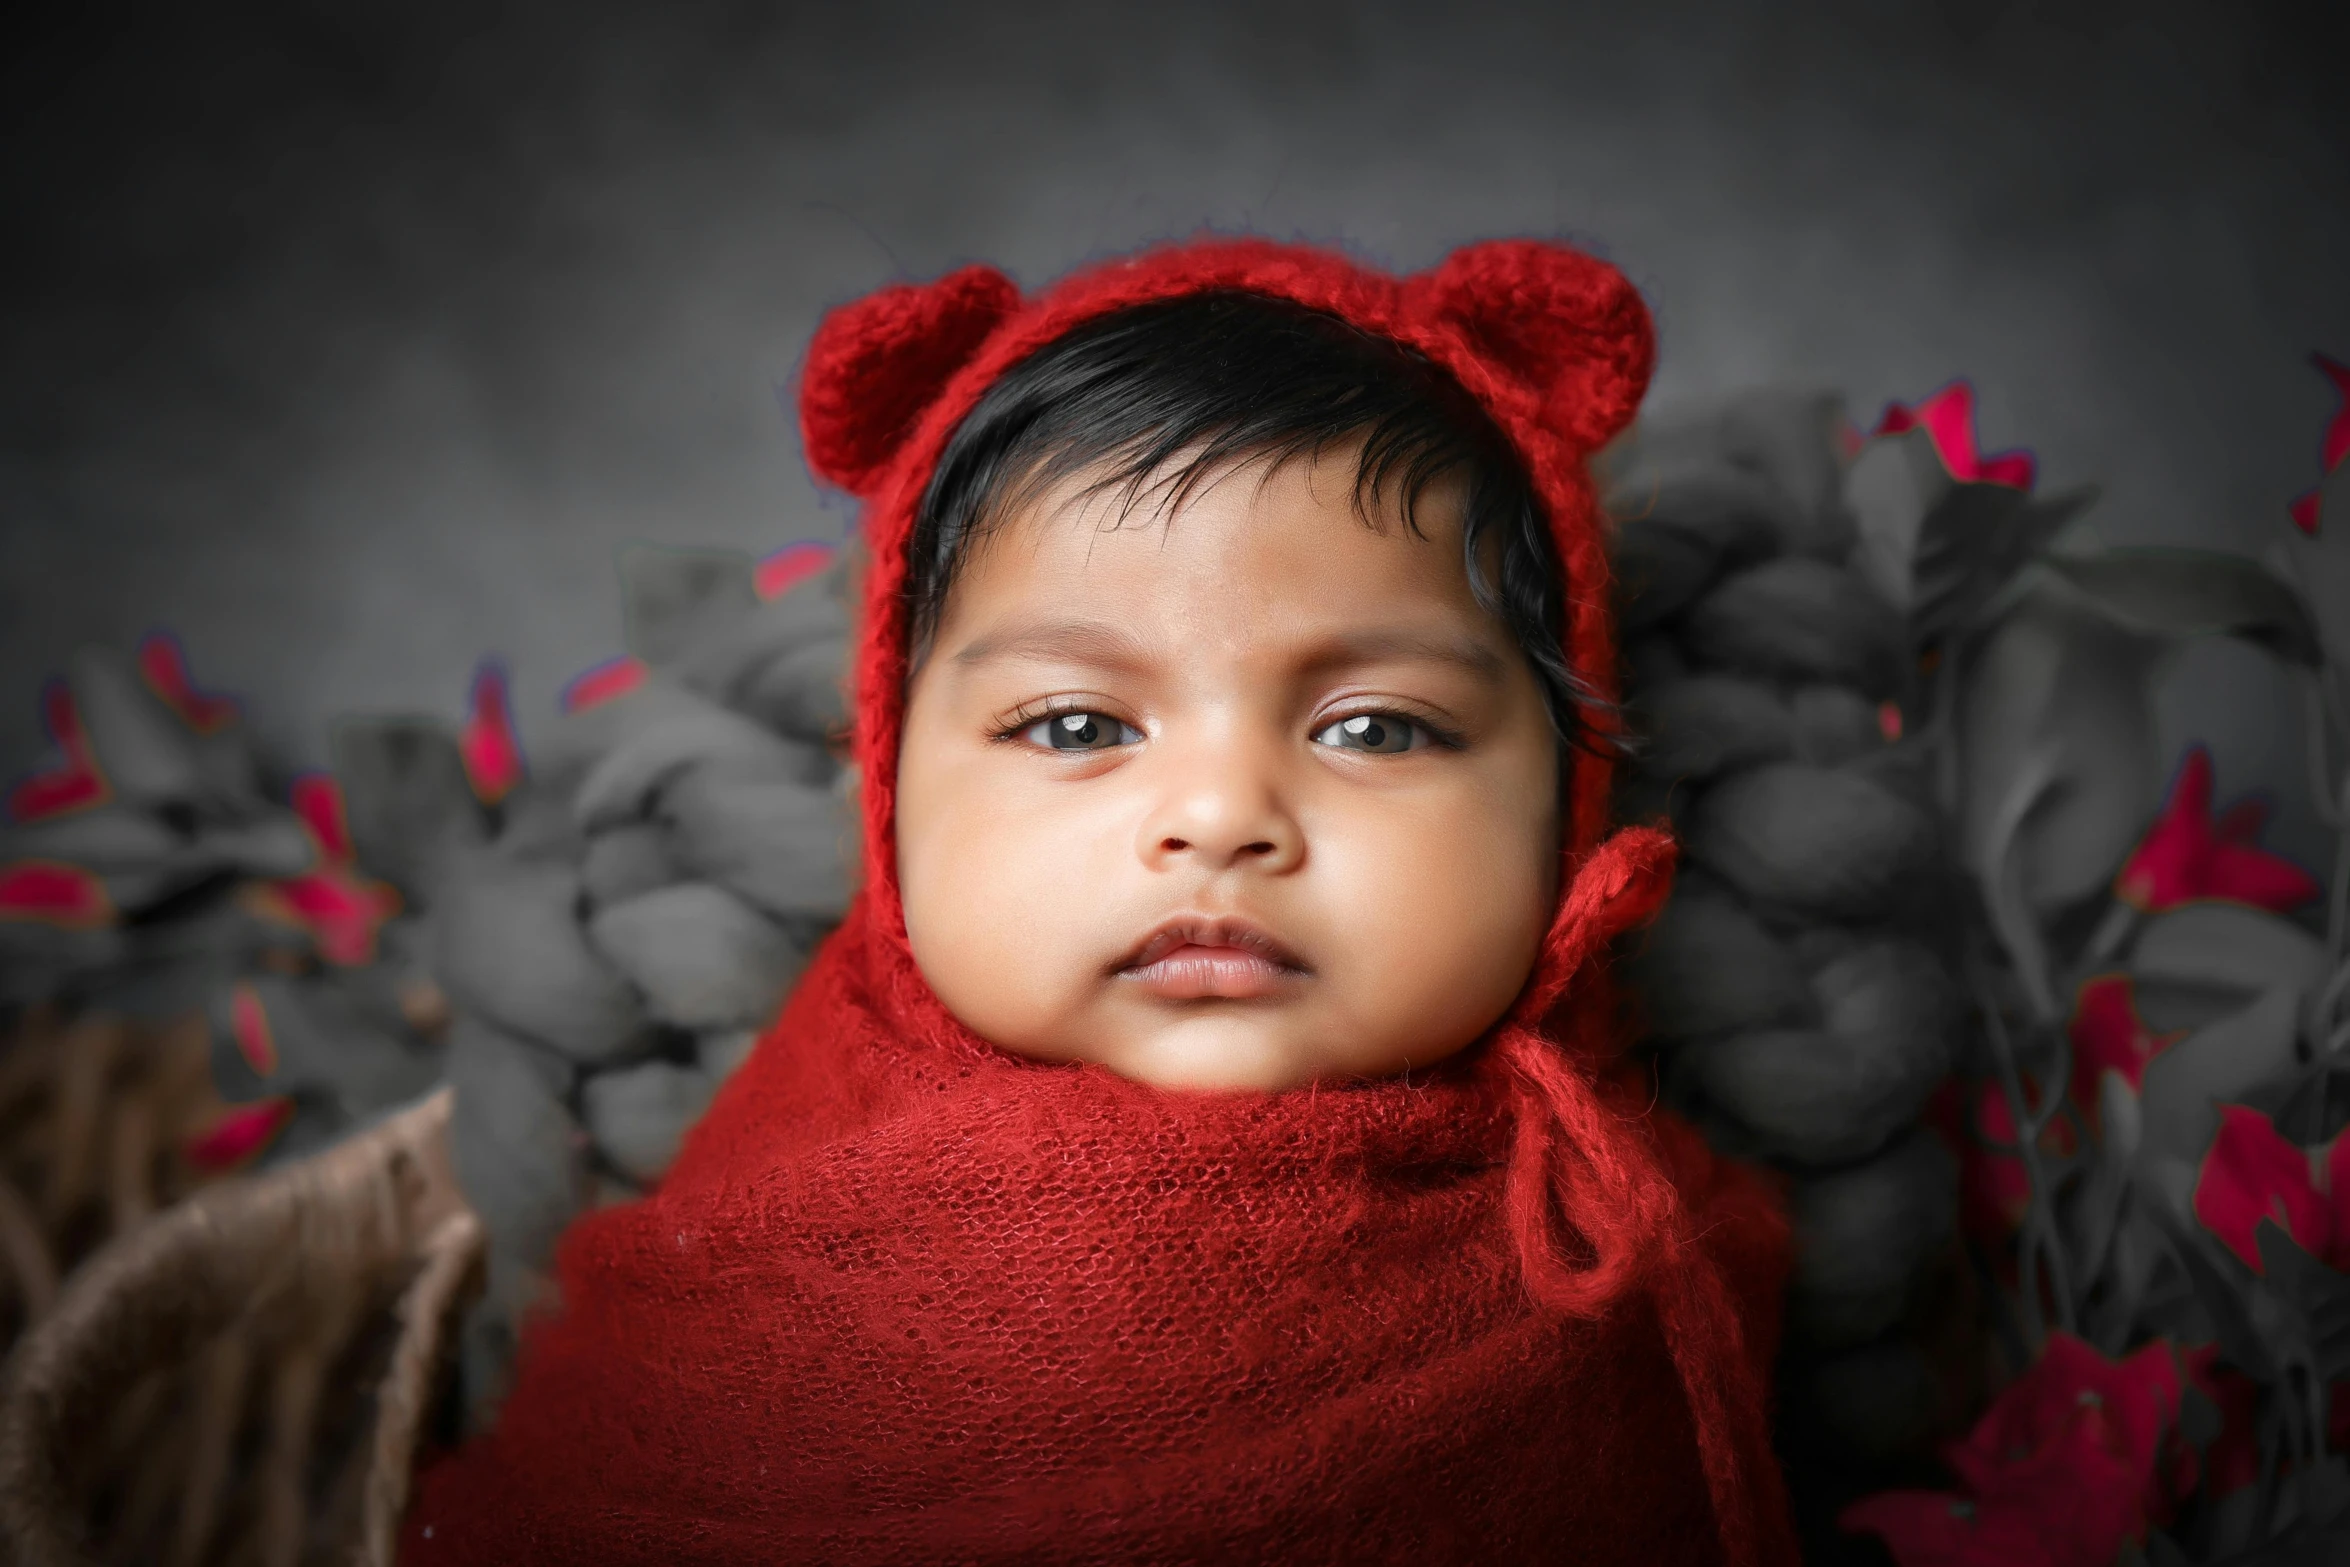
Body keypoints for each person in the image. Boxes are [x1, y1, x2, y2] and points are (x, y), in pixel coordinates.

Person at [403, 237, 1798, 1565]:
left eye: (1374, 729)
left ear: (1565, 812)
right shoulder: (758, 1251)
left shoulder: (1611, 1264)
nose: (1217, 817)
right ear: (893, 794)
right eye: (1076, 726)